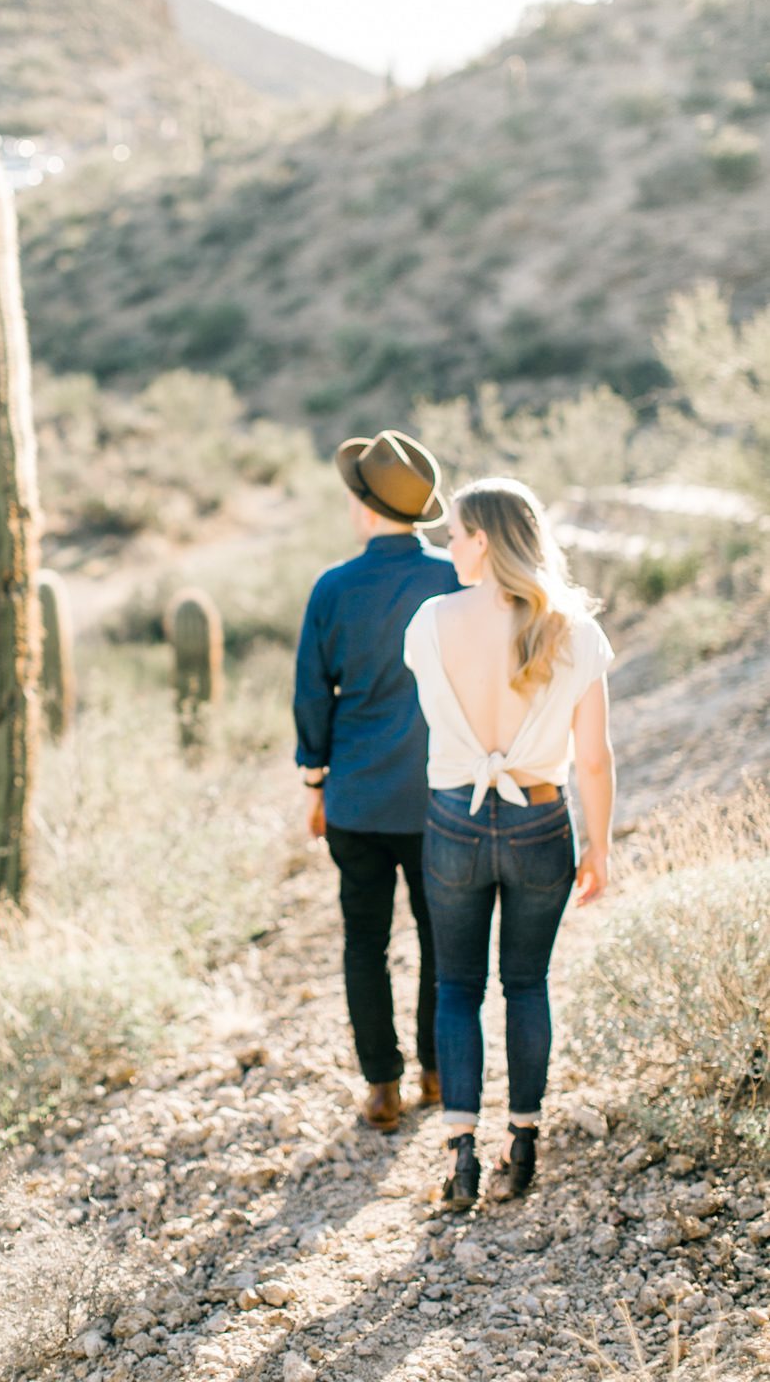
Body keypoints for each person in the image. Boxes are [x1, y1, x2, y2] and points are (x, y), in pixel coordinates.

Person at [403, 476, 614, 1207]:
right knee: (525, 985)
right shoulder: (575, 630)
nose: (449, 545)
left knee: (456, 987)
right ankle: (521, 1144)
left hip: (455, 817)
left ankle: (460, 1156)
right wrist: (599, 848)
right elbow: (592, 757)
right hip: (539, 819)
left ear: (483, 539)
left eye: (456, 533)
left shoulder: (430, 622)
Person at [294, 429, 461, 1130]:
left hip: (356, 798)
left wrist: (314, 783)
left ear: (363, 508)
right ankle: (434, 1071)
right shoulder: (454, 577)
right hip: (437, 798)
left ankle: (380, 1086)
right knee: (437, 939)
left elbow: (311, 695)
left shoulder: (333, 588)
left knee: (363, 941)